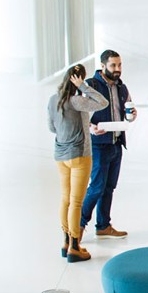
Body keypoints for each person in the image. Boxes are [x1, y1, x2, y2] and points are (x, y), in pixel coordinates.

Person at [46, 64, 108, 263]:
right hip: (80, 155)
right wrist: (84, 87)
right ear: (77, 79)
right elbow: (102, 102)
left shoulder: (53, 100)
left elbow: (51, 127)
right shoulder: (77, 101)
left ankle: (66, 242)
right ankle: (75, 246)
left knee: (65, 199)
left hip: (60, 155)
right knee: (77, 201)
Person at [80, 49, 135, 239]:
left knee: (109, 187)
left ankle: (103, 225)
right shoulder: (90, 86)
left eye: (119, 65)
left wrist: (132, 115)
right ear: (103, 66)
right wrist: (90, 127)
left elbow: (127, 109)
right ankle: (78, 226)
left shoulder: (122, 87)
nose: (117, 69)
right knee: (96, 187)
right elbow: (79, 113)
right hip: (99, 145)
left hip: (116, 143)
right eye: (113, 65)